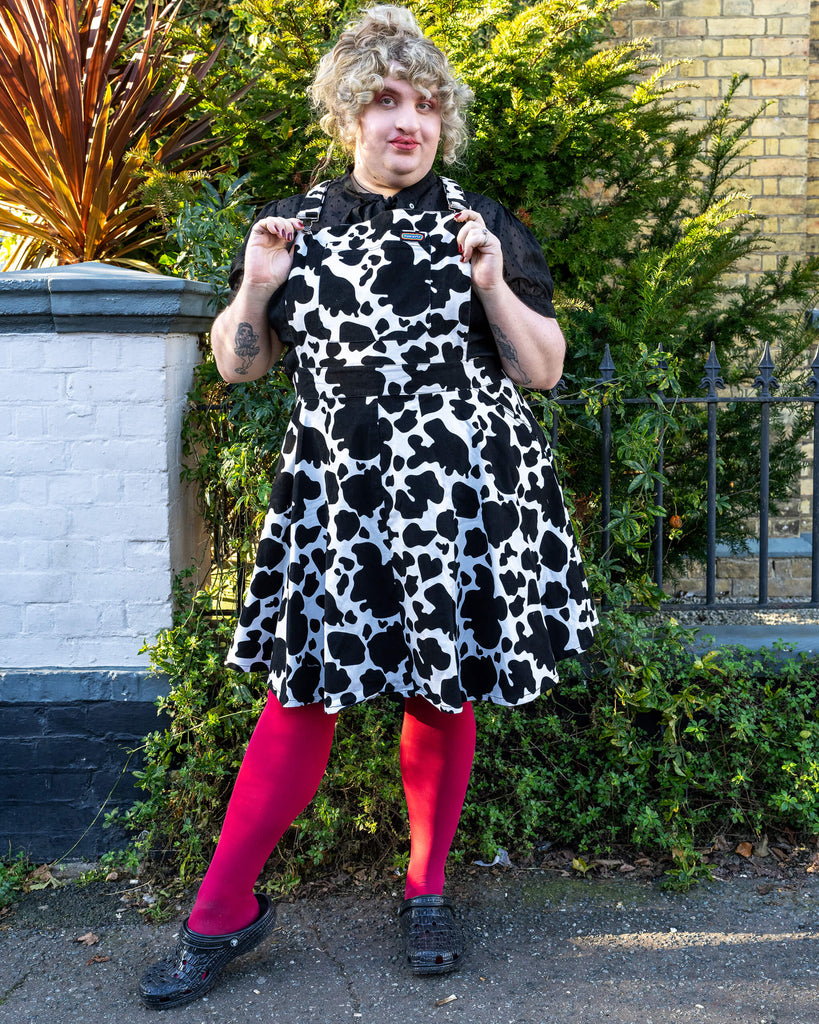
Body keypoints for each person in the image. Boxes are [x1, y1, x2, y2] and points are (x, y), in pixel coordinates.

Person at [139, 3, 596, 1010]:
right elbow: (238, 366)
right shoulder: (289, 228)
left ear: (445, 123)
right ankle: (220, 912)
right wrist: (255, 290)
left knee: (441, 688)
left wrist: (491, 284)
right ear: (349, 113)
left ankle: (426, 889)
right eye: (387, 100)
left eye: (426, 104)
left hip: (461, 496)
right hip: (337, 496)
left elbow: (546, 371)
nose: (409, 121)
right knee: (299, 697)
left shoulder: (484, 227)